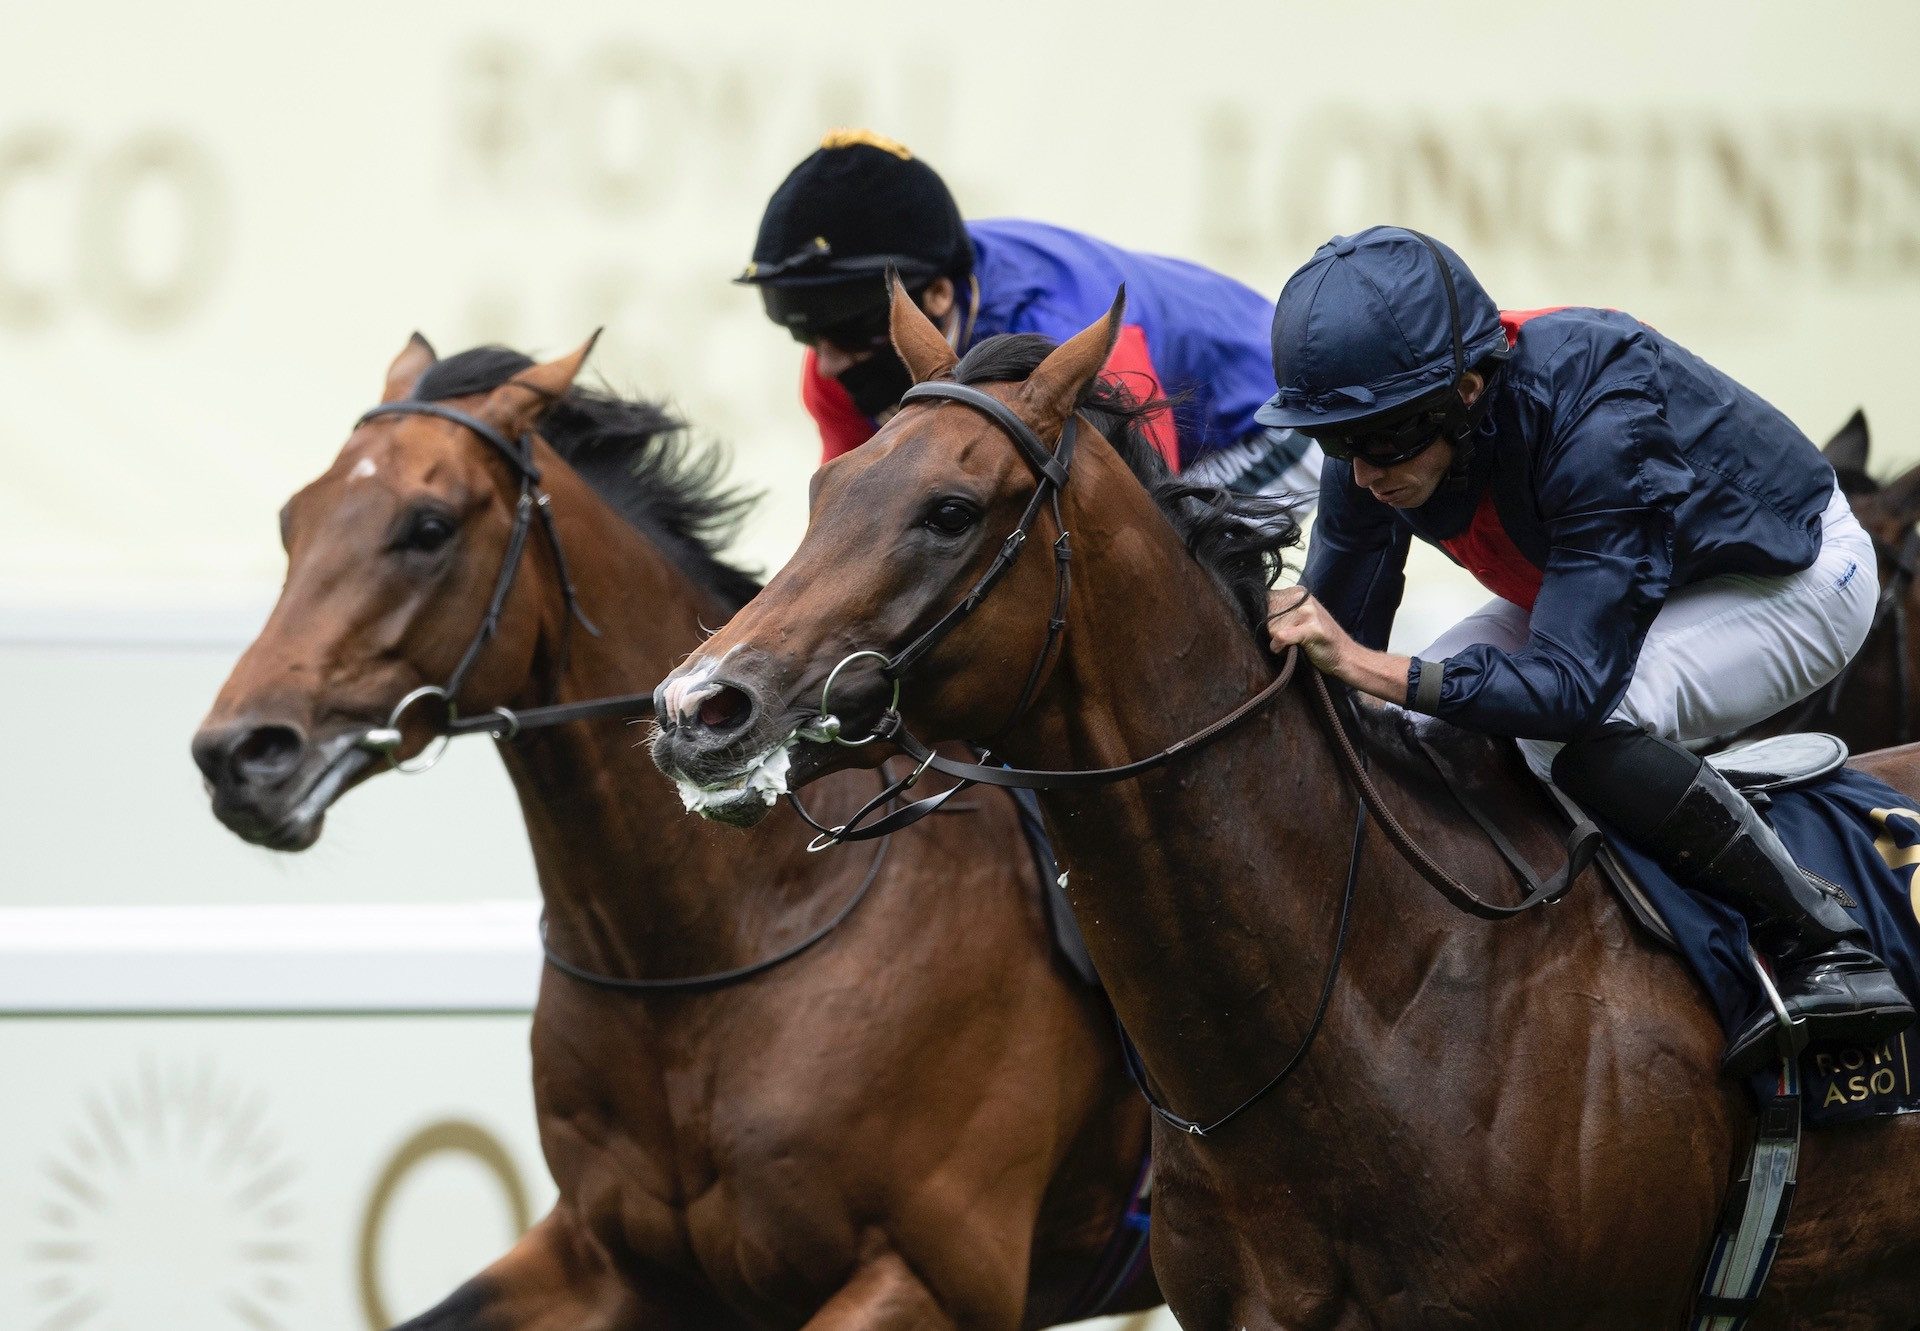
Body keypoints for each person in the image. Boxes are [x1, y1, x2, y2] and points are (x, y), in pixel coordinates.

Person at [1260, 225, 1913, 1075]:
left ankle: (1827, 942)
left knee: (1565, 731)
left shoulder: (1598, 411)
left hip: (1790, 576)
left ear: (1465, 390)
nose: (1359, 475)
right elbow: (1341, 660)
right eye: (1338, 441)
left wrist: (1372, 668)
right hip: (1610, 575)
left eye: (1381, 441)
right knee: (1414, 729)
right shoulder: (1381, 434)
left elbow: (1569, 688)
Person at [737, 129, 1319, 497]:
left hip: (1265, 423)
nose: (827, 364)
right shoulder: (837, 367)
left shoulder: (1060, 326)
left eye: (844, 335)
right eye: (805, 335)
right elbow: (854, 514)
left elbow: (1142, 505)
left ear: (937, 296)